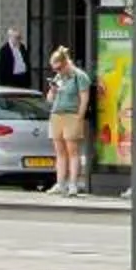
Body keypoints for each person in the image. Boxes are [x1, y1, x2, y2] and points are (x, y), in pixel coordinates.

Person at [44, 48, 92, 196]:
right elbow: (49, 100)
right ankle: (60, 183)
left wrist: (79, 116)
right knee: (59, 152)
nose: (57, 71)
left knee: (72, 150)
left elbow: (84, 98)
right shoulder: (59, 77)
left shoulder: (79, 76)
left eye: (58, 68)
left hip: (72, 115)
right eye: (54, 69)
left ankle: (73, 184)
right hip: (57, 114)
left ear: (66, 63)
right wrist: (52, 90)